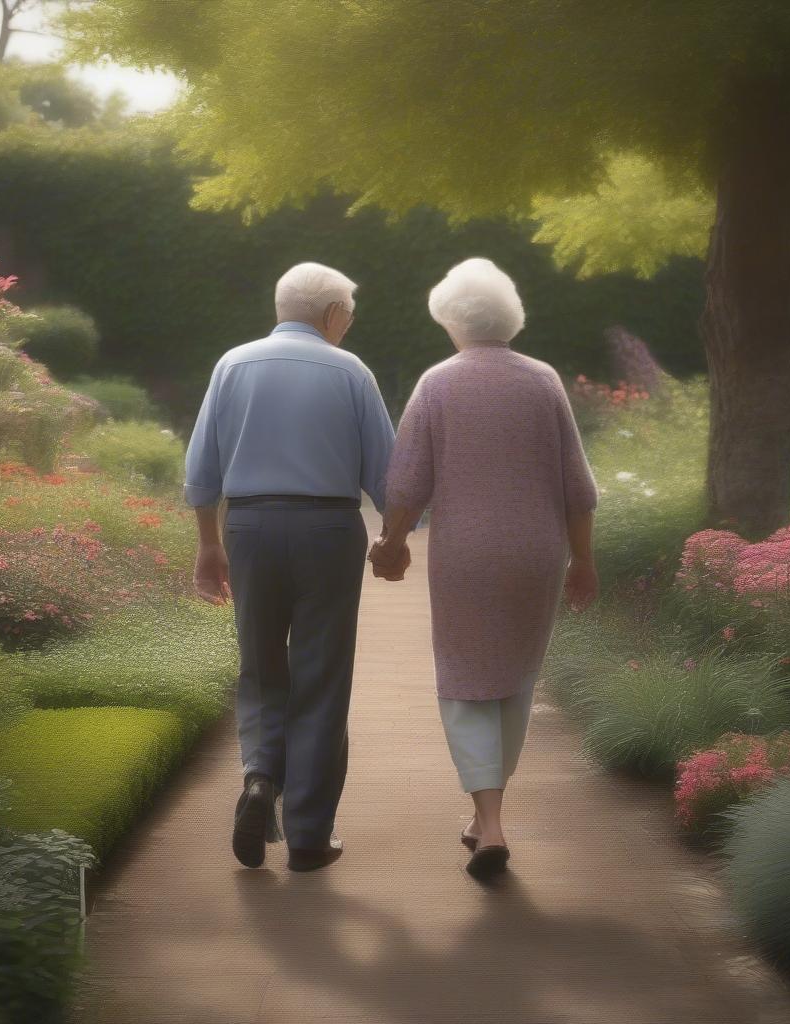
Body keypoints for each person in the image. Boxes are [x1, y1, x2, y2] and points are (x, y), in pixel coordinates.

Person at [368, 257, 599, 881]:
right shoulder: (545, 382)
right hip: (537, 552)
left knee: (466, 675)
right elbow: (578, 487)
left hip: (466, 555)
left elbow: (407, 482)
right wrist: (584, 561)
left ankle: (490, 820)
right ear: (511, 316)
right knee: (515, 675)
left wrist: (390, 544)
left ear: (451, 318)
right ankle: (485, 819)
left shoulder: (438, 382)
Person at [183, 262, 405, 872]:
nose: (350, 325)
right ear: (332, 313)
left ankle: (260, 781)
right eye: (350, 314)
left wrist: (209, 544)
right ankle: (308, 837)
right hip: (328, 530)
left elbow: (202, 469)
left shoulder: (232, 364)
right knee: (322, 677)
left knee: (259, 668)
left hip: (250, 527)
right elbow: (388, 478)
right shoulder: (352, 371)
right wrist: (395, 537)